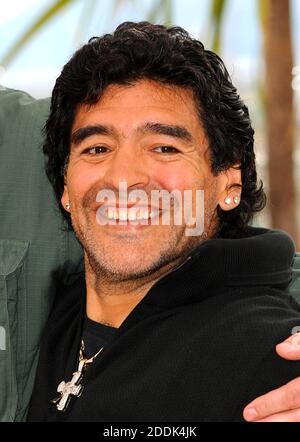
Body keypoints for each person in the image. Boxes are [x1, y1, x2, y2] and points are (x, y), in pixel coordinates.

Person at [1, 22, 300, 423]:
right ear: (65, 190)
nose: (123, 179)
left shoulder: (270, 361)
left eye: (164, 147)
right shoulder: (55, 321)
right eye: (97, 147)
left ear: (229, 181)